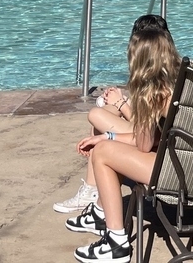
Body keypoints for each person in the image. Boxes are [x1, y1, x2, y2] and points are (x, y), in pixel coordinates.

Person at [62, 14, 181, 261]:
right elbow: (156, 138)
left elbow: (144, 145)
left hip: (178, 173)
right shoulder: (185, 81)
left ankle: (116, 242)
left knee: (103, 153)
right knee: (105, 143)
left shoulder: (153, 92)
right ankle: (100, 213)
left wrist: (108, 138)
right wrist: (109, 135)